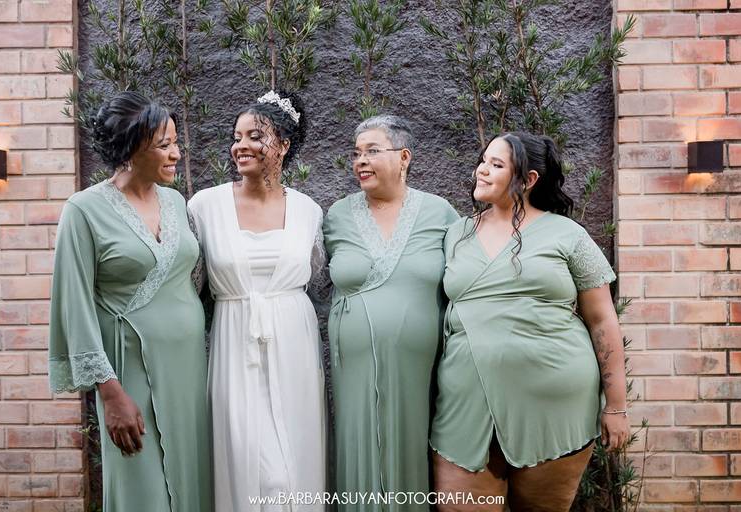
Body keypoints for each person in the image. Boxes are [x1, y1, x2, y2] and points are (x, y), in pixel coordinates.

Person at [430, 132, 630, 512]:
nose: (482, 170)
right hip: (464, 404)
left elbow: (602, 320)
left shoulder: (568, 235)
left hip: (555, 408)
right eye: (483, 160)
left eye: (496, 165)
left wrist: (616, 406)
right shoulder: (456, 234)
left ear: (529, 179)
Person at [48, 91, 212, 512]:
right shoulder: (83, 211)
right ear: (131, 148)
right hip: (128, 373)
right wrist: (110, 394)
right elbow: (74, 304)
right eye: (164, 145)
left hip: (188, 371)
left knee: (192, 478)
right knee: (143, 485)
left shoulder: (175, 202)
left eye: (175, 142)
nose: (176, 154)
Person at [188, 91, 326, 511]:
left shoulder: (308, 210)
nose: (241, 146)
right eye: (236, 137)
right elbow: (190, 285)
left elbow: (317, 277)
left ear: (283, 145)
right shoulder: (204, 207)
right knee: (245, 454)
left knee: (292, 463)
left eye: (255, 136)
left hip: (294, 342)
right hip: (235, 339)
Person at [324, 114, 459, 510]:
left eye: (372, 151)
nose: (360, 161)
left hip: (418, 371)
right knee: (357, 450)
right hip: (353, 368)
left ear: (404, 157)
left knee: (412, 448)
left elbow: (464, 282)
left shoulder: (440, 214)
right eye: (356, 154)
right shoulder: (337, 215)